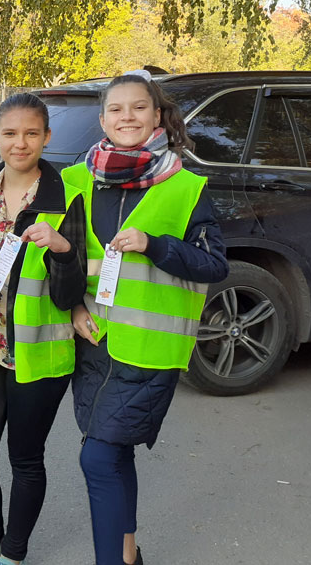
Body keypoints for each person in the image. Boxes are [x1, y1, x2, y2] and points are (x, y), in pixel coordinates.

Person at [62, 70, 229, 565]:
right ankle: (130, 556)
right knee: (114, 453)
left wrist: (155, 246)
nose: (126, 117)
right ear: (102, 119)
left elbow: (214, 264)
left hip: (151, 352)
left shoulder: (185, 186)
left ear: (157, 116)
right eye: (116, 109)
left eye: (138, 107)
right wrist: (71, 305)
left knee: (96, 457)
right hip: (96, 345)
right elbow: (66, 262)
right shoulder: (78, 179)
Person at [0, 93, 88, 565]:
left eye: (31, 133)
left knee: (25, 460)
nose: (20, 143)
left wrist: (64, 250)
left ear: (47, 137)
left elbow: (73, 293)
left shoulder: (67, 197)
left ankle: (13, 552)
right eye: (10, 133)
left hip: (41, 353)